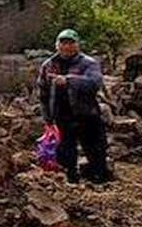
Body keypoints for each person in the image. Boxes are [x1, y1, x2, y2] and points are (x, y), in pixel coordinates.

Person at [37, 29, 112, 184]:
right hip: (61, 116)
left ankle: (101, 180)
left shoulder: (88, 63)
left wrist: (69, 80)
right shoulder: (48, 65)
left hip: (87, 115)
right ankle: (71, 183)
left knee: (95, 150)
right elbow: (43, 92)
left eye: (71, 43)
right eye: (63, 43)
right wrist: (47, 117)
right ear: (57, 45)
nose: (67, 47)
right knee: (65, 153)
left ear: (77, 45)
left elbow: (94, 83)